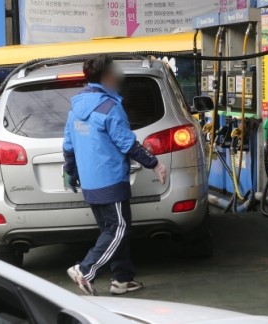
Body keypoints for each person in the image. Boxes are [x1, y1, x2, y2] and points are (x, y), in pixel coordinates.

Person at [63, 54, 167, 296]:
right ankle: (85, 270)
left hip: (90, 182)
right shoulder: (110, 107)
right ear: (107, 77)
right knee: (119, 229)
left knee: (112, 231)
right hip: (110, 178)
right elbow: (126, 143)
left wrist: (72, 173)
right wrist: (154, 164)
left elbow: (69, 146)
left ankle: (122, 279)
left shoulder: (75, 109)